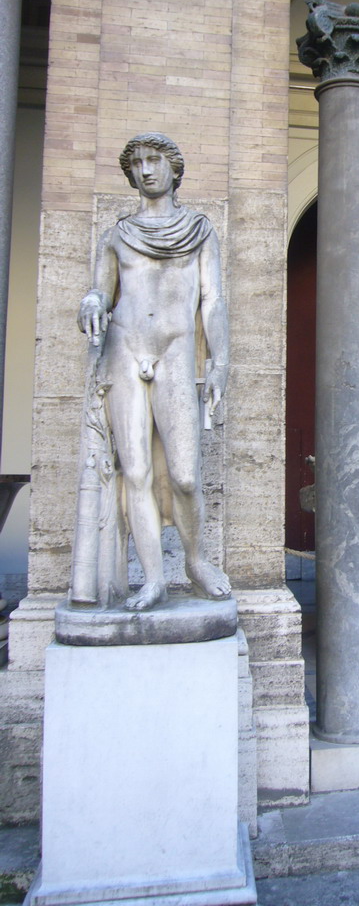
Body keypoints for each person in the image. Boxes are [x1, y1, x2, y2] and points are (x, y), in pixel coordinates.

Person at [78, 133, 230, 611]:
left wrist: (221, 360)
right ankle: (152, 580)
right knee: (136, 471)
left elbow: (213, 300)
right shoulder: (116, 235)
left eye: (154, 161)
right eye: (138, 164)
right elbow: (102, 292)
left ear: (173, 168)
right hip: (124, 348)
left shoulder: (200, 230)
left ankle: (194, 559)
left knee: (185, 475)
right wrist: (91, 300)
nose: (146, 170)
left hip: (176, 351)